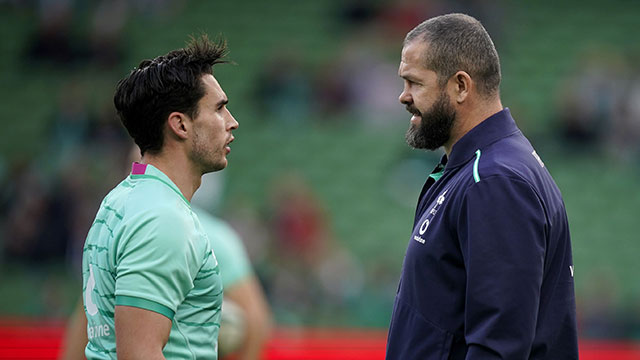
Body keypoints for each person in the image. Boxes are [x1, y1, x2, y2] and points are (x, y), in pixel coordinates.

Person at [386, 13, 578, 359]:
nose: (403, 96)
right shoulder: (476, 170)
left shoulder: (495, 181)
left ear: (460, 86)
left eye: (414, 83)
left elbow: (498, 348)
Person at [79, 34, 238, 359]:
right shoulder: (163, 219)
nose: (232, 122)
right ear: (180, 124)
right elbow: (139, 353)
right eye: (219, 108)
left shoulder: (120, 201)